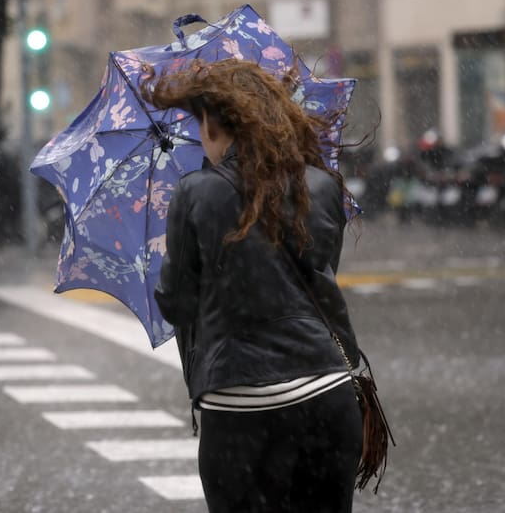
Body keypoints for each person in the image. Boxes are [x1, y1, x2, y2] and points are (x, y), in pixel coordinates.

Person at [142, 58, 364, 512]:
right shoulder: (320, 185)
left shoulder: (195, 193)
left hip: (240, 406)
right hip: (327, 394)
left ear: (211, 123)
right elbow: (315, 280)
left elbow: (179, 304)